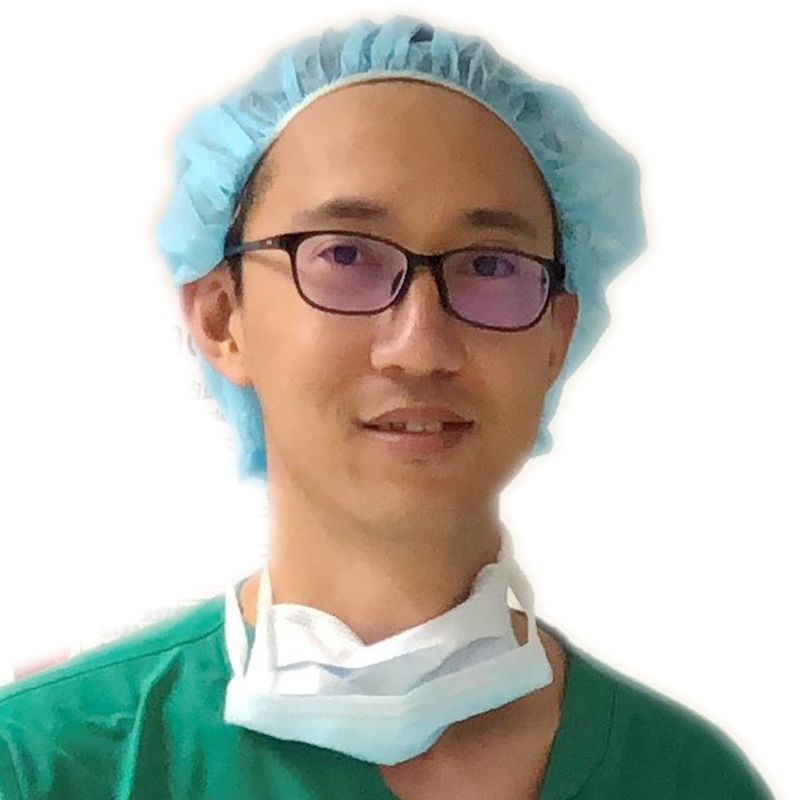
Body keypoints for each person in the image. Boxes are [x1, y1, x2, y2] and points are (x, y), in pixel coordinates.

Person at [0, 15, 774, 800]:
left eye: (490, 265)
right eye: (344, 254)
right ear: (222, 317)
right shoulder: (46, 765)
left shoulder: (689, 779)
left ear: (556, 336)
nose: (420, 346)